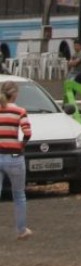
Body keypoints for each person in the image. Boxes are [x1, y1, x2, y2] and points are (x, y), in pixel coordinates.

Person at [0, 79, 30, 240]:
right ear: (15, 94)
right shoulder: (19, 111)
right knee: (19, 195)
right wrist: (21, 145)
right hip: (14, 156)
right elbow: (27, 132)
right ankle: (21, 230)